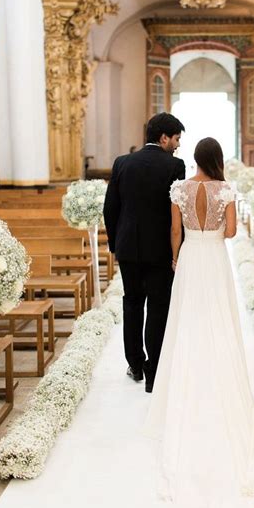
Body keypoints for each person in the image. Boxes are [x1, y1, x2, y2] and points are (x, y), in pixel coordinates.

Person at [143, 138, 254, 508]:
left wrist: (176, 257)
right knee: (219, 314)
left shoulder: (180, 188)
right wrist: (215, 226)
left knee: (187, 316)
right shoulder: (225, 189)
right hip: (214, 258)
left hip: (190, 257)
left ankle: (190, 371)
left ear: (195, 159)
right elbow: (232, 233)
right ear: (216, 160)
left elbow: (175, 231)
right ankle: (218, 369)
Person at [103, 112, 185, 392]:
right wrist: (178, 250)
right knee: (158, 308)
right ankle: (154, 372)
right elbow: (177, 215)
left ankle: (135, 364)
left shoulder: (122, 163)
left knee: (132, 304)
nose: (177, 145)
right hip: (160, 250)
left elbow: (110, 208)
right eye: (176, 139)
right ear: (164, 137)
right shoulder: (175, 166)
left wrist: (116, 244)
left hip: (128, 248)